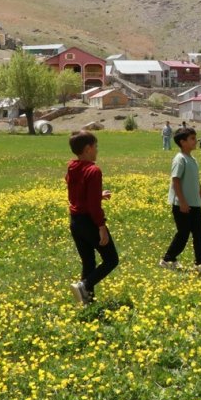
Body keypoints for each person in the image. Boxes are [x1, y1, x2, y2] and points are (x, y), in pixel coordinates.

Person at [65, 130, 117, 305]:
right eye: (96, 147)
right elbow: (94, 207)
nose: (97, 150)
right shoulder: (93, 170)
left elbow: (77, 193)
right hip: (89, 221)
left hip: (75, 220)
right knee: (111, 259)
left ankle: (87, 301)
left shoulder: (72, 166)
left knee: (88, 261)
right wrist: (101, 227)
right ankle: (84, 286)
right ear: (88, 149)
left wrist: (97, 194)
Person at [160, 127, 201, 271]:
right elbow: (175, 181)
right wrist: (182, 202)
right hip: (182, 205)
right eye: (192, 139)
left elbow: (197, 183)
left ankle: (199, 263)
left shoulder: (193, 160)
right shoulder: (180, 159)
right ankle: (167, 259)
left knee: (198, 234)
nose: (196, 141)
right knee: (183, 234)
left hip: (194, 204)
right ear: (183, 142)